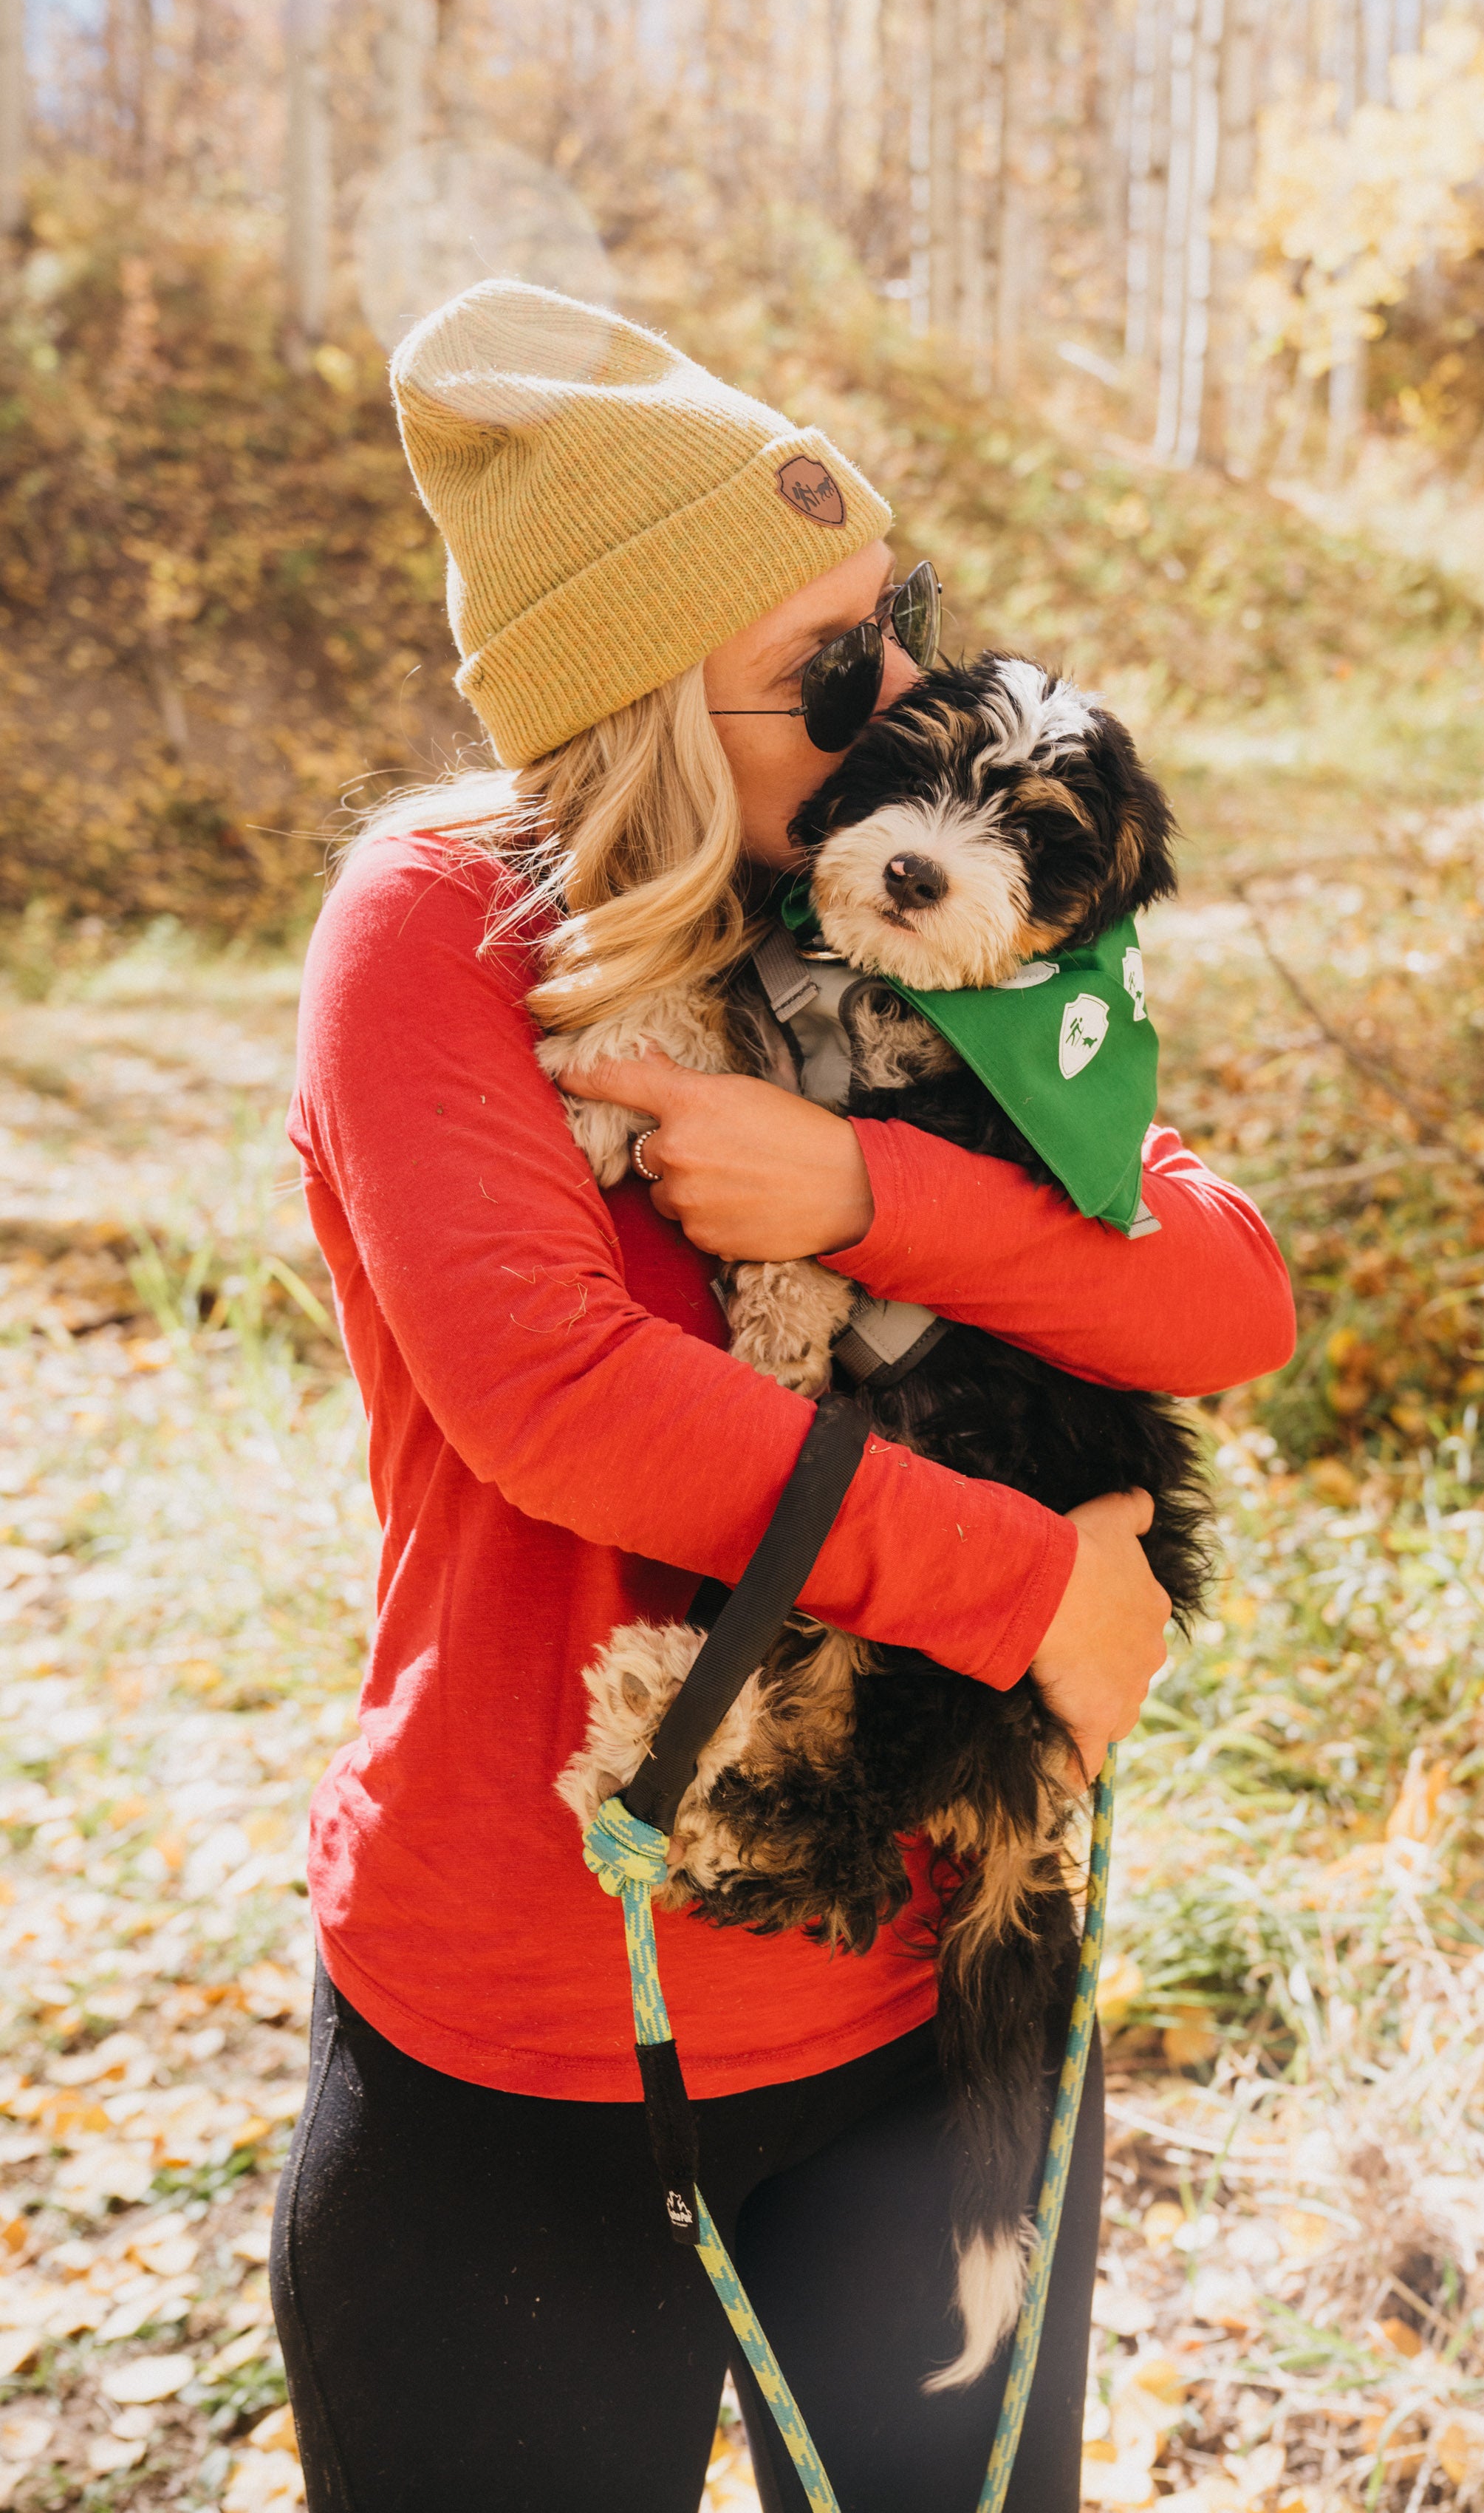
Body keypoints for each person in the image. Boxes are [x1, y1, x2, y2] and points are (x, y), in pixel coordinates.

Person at [273, 279, 1296, 2513]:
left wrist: (861, 1188)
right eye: (835, 671)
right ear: (641, 705)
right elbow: (561, 1395)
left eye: (901, 620)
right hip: (533, 2036)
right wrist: (1022, 1590)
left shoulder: (914, 910)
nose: (910, 699)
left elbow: (1218, 1292)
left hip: (923, 2017)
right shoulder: (435, 930)